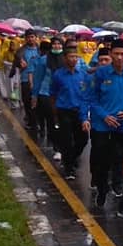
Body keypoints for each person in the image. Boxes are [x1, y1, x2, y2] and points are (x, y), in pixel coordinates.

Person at [85, 39, 123, 215]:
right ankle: (101, 189)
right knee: (102, 163)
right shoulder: (101, 74)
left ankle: (122, 198)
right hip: (102, 127)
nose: (120, 57)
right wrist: (104, 116)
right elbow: (91, 99)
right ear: (110, 54)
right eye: (116, 54)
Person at [49, 44, 88, 179]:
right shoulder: (58, 75)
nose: (73, 59)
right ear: (65, 58)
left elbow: (86, 93)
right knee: (66, 140)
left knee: (83, 139)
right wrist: (55, 112)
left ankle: (72, 157)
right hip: (64, 110)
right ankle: (69, 168)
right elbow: (53, 94)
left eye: (75, 57)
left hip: (79, 111)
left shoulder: (82, 74)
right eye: (71, 57)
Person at [16, 29, 41, 129]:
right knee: (27, 100)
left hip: (38, 79)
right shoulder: (21, 51)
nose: (30, 39)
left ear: (36, 38)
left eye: (32, 37)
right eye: (28, 37)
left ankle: (38, 121)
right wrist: (20, 64)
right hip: (25, 78)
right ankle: (31, 120)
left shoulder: (40, 50)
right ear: (25, 39)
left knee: (38, 101)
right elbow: (16, 63)